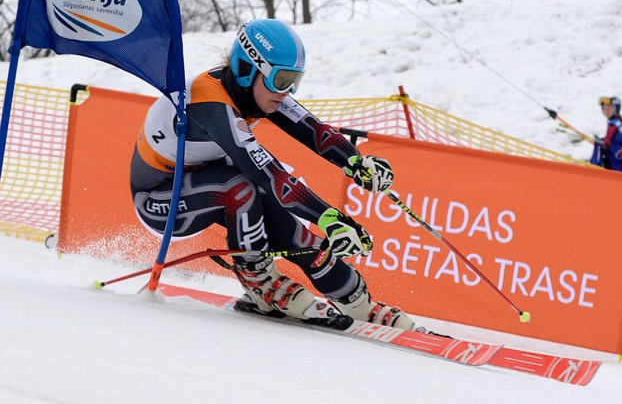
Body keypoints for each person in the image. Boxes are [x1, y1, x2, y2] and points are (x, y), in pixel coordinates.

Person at [130, 18, 420, 330]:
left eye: (295, 80)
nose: (288, 91)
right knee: (242, 186)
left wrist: (356, 164)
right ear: (246, 68)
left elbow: (314, 131)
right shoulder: (208, 101)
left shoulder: (258, 90)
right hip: (161, 199)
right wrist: (329, 217)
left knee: (295, 232)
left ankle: (358, 303)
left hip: (206, 183)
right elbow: (267, 171)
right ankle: (260, 284)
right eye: (282, 80)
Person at [593, 96, 622, 171]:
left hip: (617, 159)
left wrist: (601, 143)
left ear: (616, 109)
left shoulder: (614, 124)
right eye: (604, 108)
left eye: (610, 108)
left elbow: (608, 141)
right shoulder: (619, 122)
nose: (607, 111)